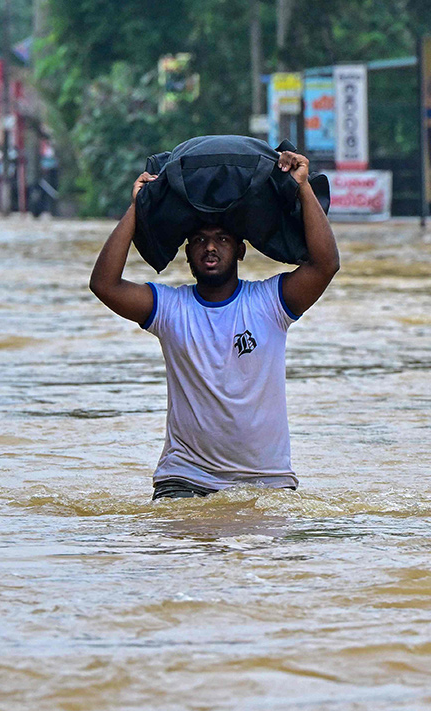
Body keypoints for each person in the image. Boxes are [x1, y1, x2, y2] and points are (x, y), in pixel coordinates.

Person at [90, 150, 339, 499]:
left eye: (222, 239)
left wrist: (302, 188)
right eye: (199, 241)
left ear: (240, 250)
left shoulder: (270, 303)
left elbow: (325, 265)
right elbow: (104, 285)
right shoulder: (170, 308)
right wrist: (138, 206)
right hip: (184, 478)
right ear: (187, 253)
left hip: (266, 479)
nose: (210, 248)